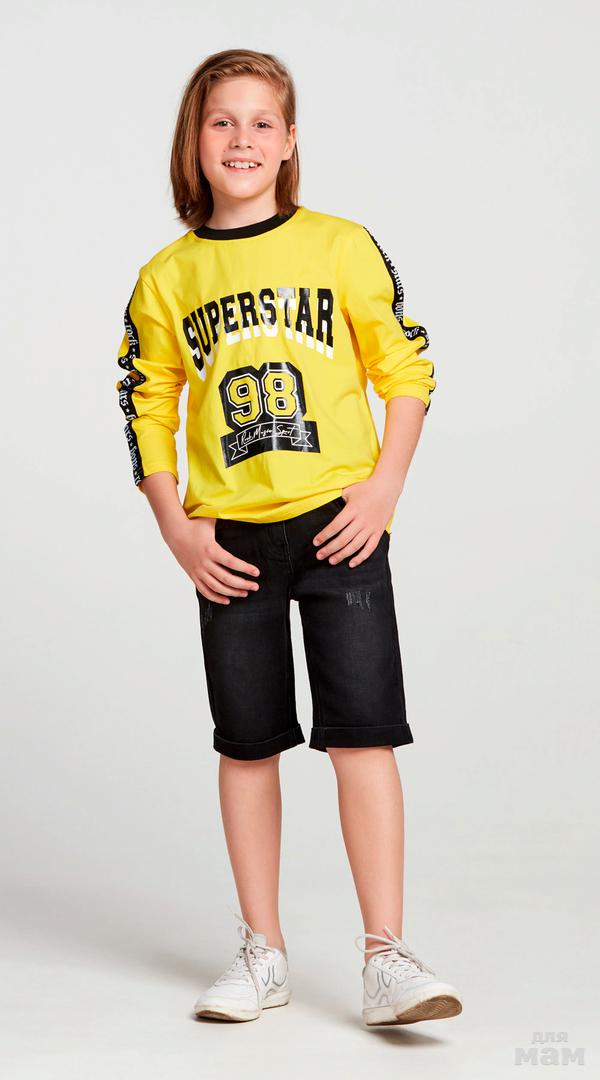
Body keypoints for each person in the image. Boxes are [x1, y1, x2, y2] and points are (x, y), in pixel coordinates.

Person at [115, 47, 463, 1028]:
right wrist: (177, 527)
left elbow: (406, 368)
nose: (242, 139)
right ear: (195, 140)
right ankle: (262, 952)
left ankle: (386, 955)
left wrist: (385, 487)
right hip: (230, 540)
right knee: (248, 742)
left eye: (261, 121)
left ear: (291, 139)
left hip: (339, 526)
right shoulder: (167, 276)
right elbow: (145, 405)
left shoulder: (341, 245)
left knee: (364, 734)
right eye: (222, 121)